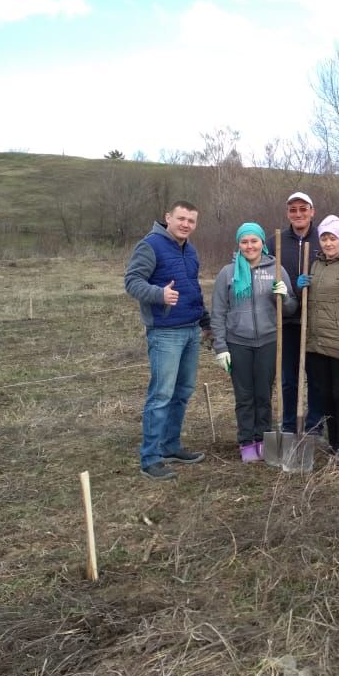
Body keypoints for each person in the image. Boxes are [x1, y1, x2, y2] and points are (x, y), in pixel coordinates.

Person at [125, 201, 210, 481]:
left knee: (182, 391)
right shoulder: (150, 245)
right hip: (165, 332)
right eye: (181, 218)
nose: (186, 224)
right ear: (168, 218)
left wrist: (205, 321)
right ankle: (150, 458)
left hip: (190, 330)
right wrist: (159, 295)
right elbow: (132, 281)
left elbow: (192, 289)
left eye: (191, 221)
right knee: (161, 395)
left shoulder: (191, 250)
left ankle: (170, 446)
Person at [211, 223, 297, 463]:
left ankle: (263, 439)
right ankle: (246, 441)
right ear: (239, 244)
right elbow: (218, 312)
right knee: (244, 396)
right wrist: (221, 347)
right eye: (244, 242)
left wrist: (284, 297)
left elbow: (290, 309)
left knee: (263, 394)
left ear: (262, 243)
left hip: (268, 341)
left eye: (254, 241)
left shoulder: (276, 270)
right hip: (238, 342)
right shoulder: (227, 273)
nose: (249, 246)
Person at [300, 215, 339, 459]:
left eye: (332, 238)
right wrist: (301, 286)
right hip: (316, 342)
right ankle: (331, 438)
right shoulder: (316, 265)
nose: (328, 243)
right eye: (324, 238)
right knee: (323, 393)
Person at [270, 192, 325, 436]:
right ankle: (290, 423)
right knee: (288, 378)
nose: (298, 214)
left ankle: (314, 423)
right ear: (287, 213)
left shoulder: (324, 239)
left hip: (316, 321)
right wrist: (292, 285)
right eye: (293, 210)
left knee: (315, 377)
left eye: (304, 209)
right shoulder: (276, 242)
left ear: (312, 211)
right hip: (287, 321)